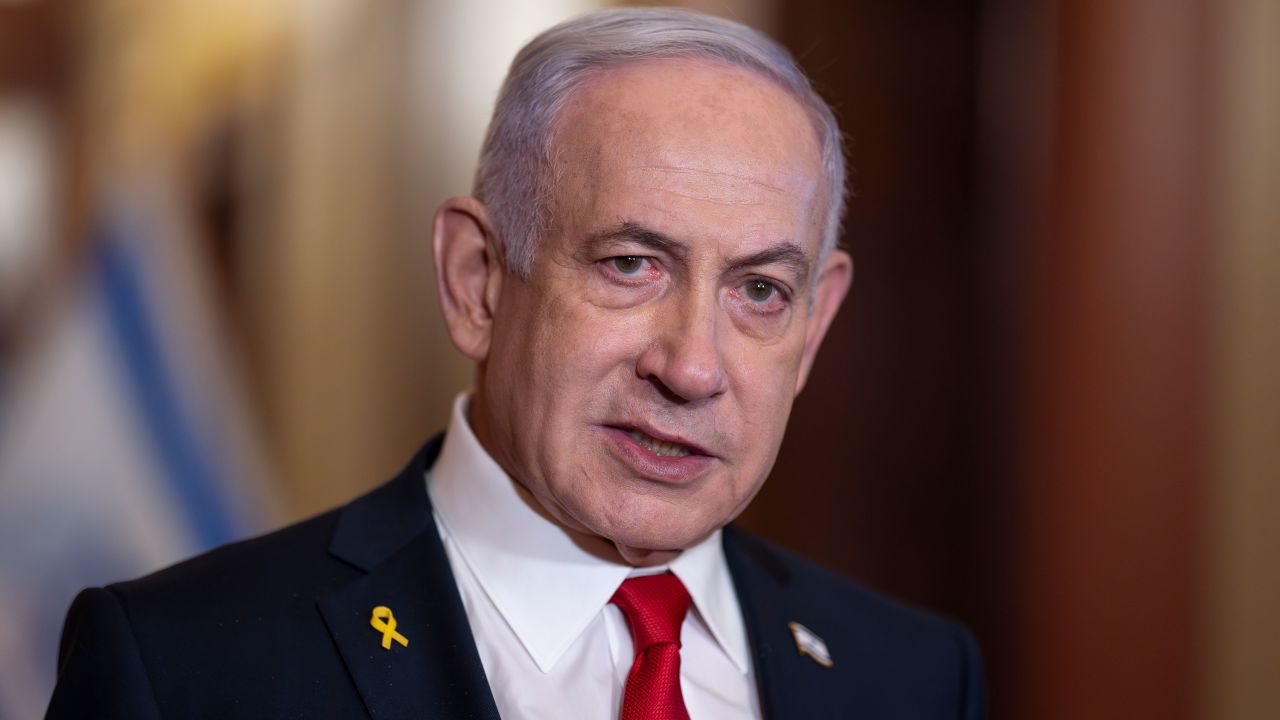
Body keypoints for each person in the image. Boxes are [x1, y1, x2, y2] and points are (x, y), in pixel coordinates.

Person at [47, 8, 984, 719]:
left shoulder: (913, 677)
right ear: (478, 280)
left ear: (813, 329)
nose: (694, 368)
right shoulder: (184, 666)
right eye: (631, 264)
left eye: (761, 292)